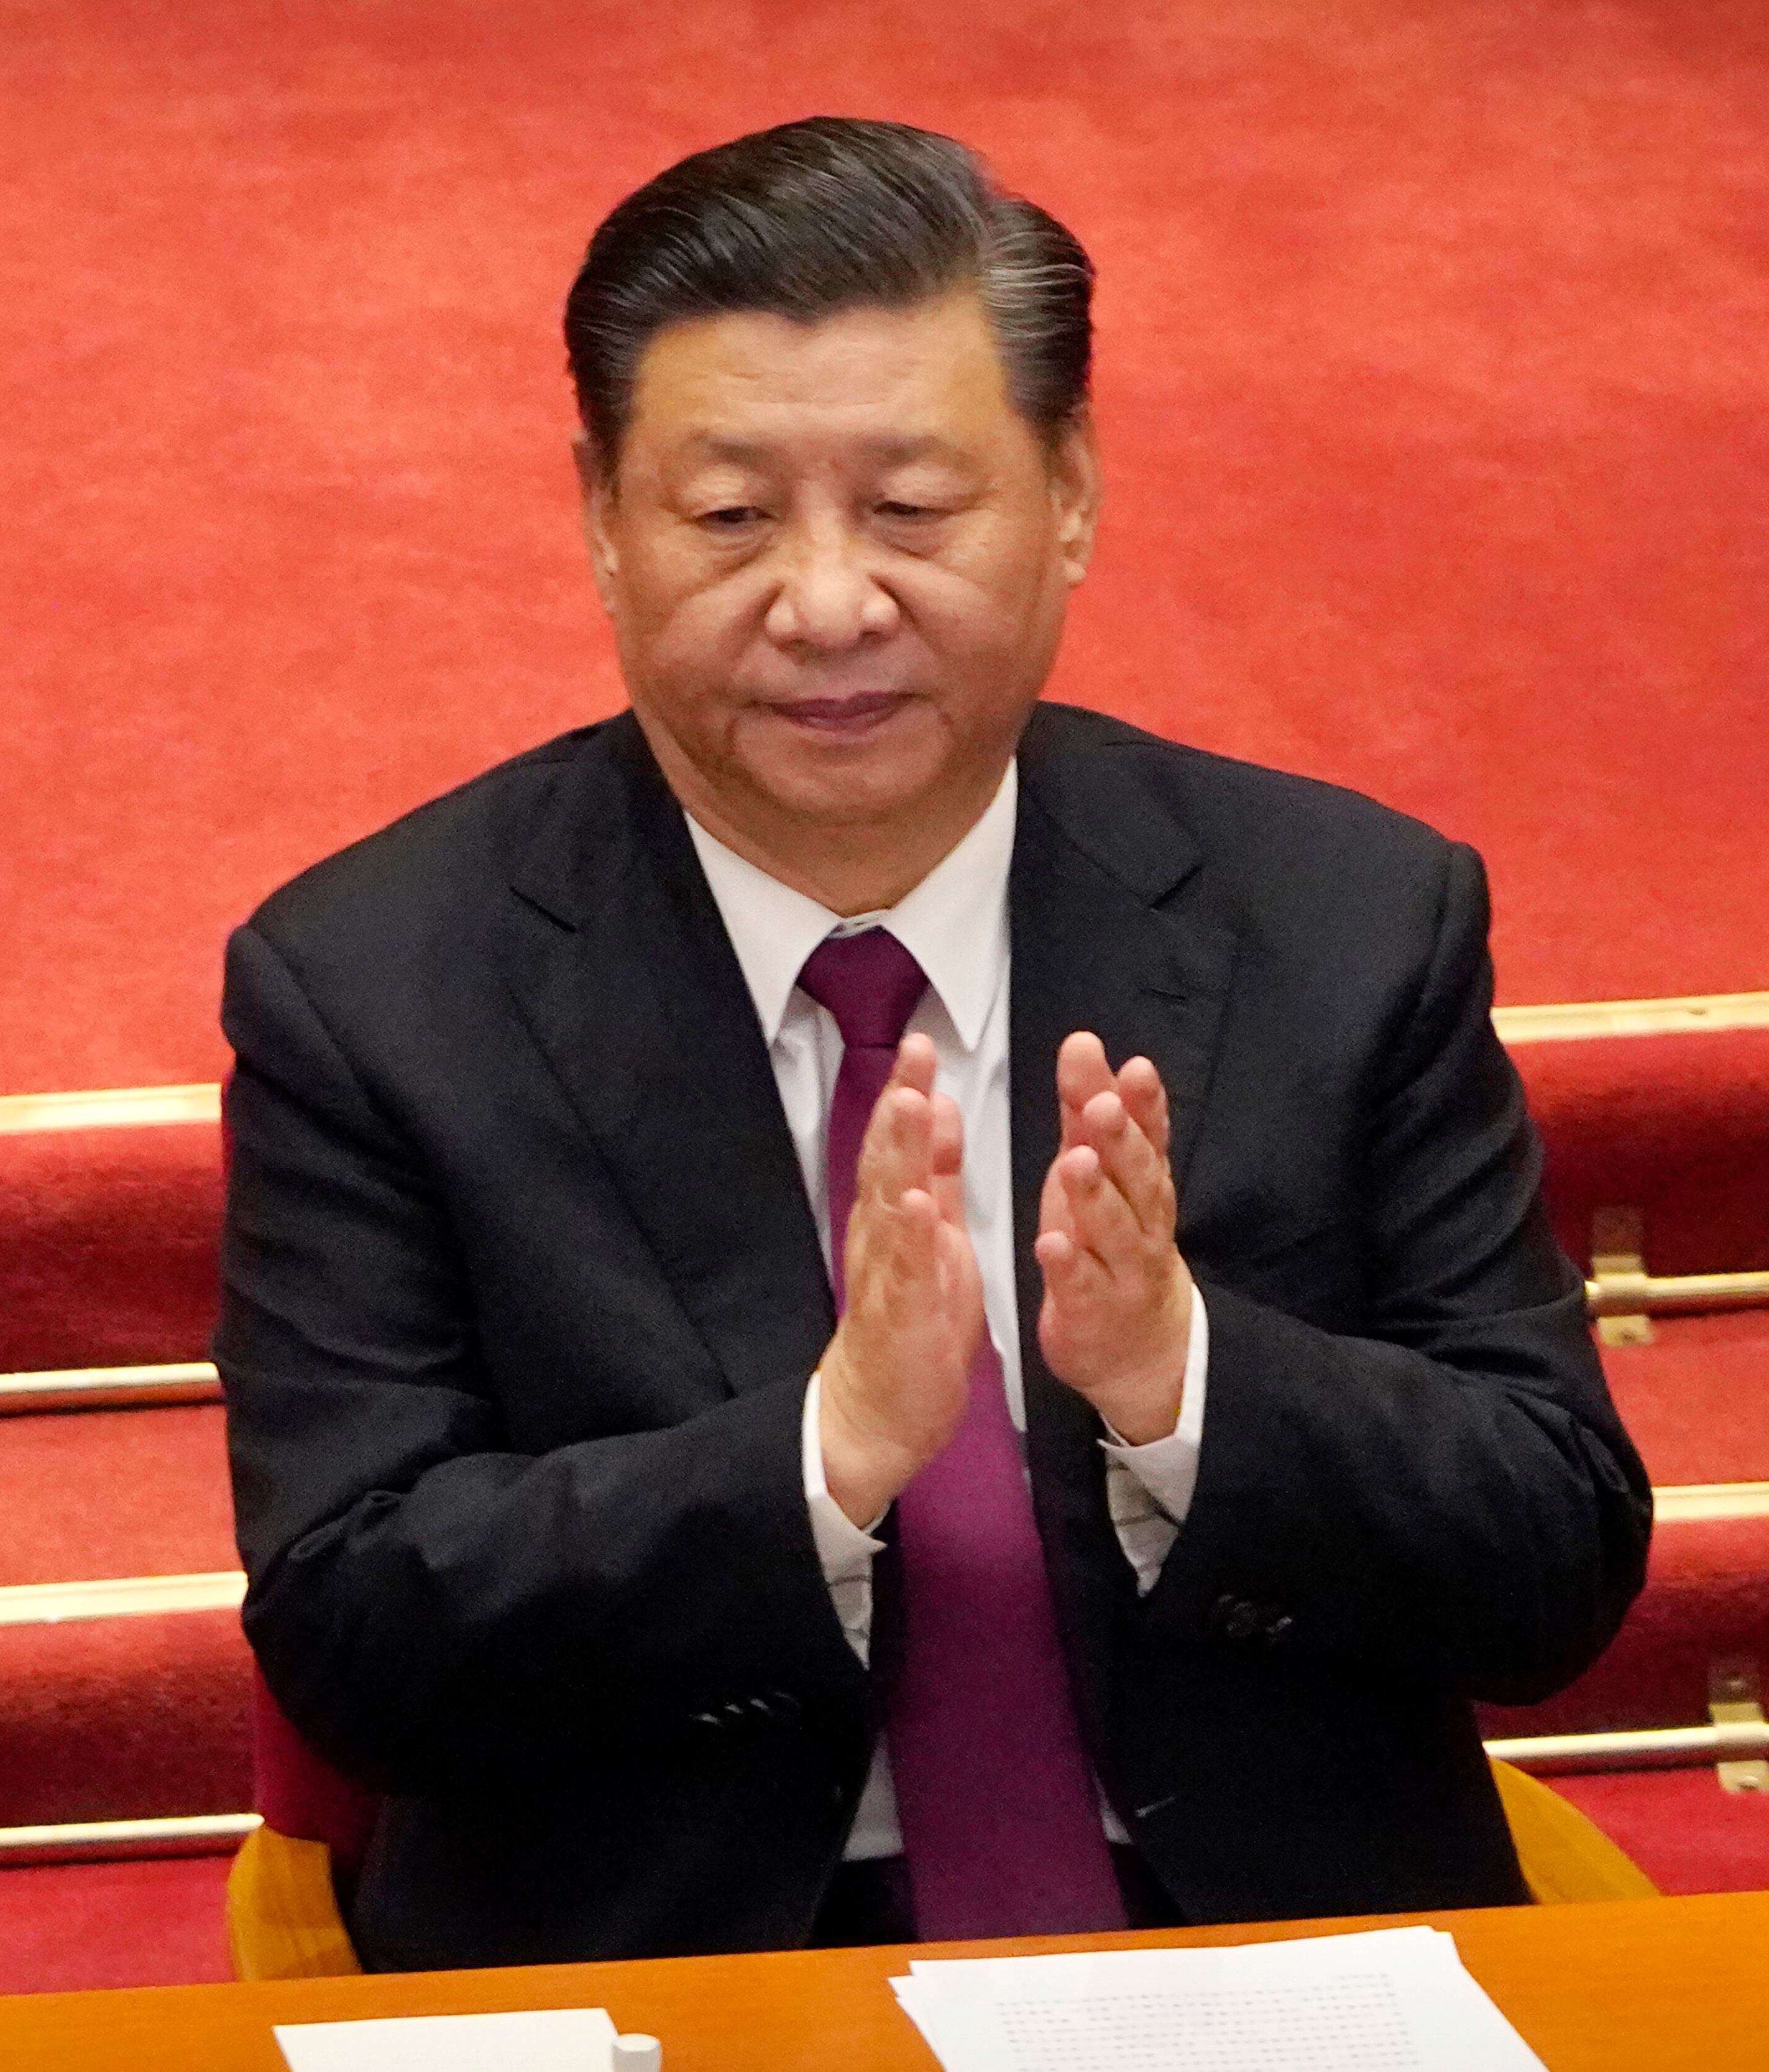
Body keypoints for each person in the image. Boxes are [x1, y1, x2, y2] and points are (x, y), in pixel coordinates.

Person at [217, 116, 1651, 1971]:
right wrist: (816, 1460)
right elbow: (351, 1634)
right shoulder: (379, 985)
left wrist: (1186, 1381)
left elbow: (1553, 1569)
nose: (827, 606)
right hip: (674, 1960)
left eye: (911, 512)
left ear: (1068, 496)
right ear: (598, 519)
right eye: (731, 518)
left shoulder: (1344, 918)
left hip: (1260, 1950)